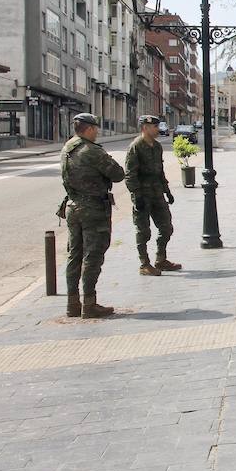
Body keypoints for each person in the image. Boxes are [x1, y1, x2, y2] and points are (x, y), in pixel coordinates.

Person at [59, 112, 125, 318]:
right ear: (89, 129)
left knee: (74, 255)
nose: (97, 132)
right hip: (93, 210)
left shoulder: (67, 147)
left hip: (72, 206)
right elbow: (118, 174)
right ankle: (89, 303)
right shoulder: (91, 150)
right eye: (95, 128)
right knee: (93, 255)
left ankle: (72, 304)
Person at [125, 114, 180, 276]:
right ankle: (144, 264)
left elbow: (160, 171)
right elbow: (130, 174)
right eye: (155, 127)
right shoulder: (136, 147)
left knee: (166, 227)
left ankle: (160, 259)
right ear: (145, 128)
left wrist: (167, 191)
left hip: (157, 193)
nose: (158, 129)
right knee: (143, 231)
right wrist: (137, 196)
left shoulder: (157, 146)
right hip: (142, 195)